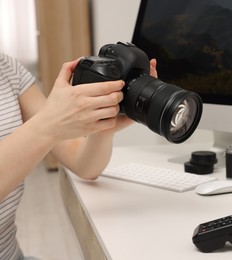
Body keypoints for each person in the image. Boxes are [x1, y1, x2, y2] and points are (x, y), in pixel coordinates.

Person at [0, 52, 157, 259]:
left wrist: (104, 123)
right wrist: (48, 125)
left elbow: (83, 165)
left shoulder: (6, 67)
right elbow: (47, 126)